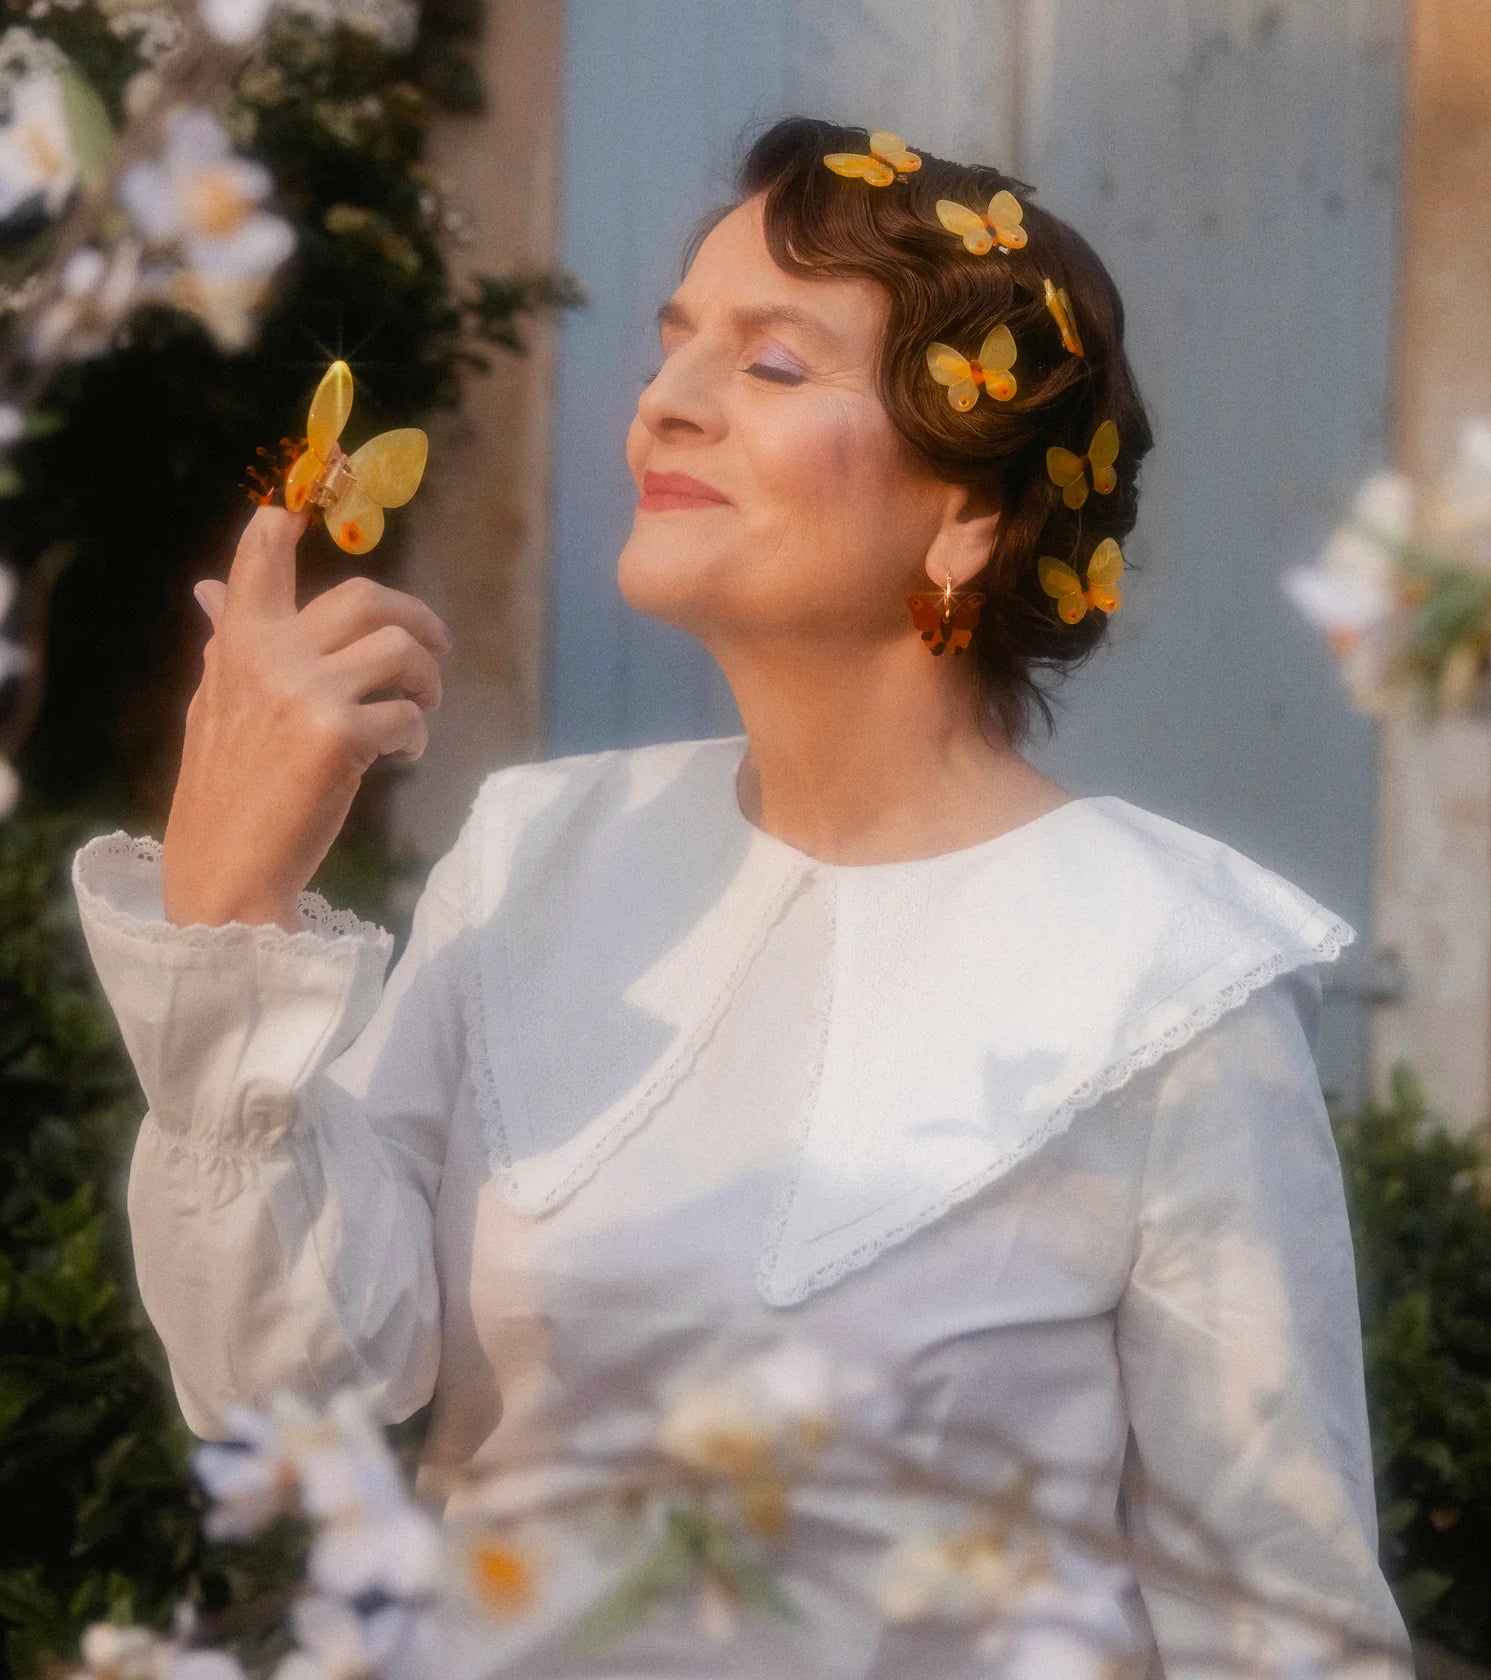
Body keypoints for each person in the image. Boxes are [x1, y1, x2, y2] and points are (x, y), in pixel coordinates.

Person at [72, 117, 1414, 1680]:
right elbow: (284, 1378)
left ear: (970, 513)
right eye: (674, 345)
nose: (666, 402)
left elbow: (1279, 1622)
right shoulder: (536, 853)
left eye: (773, 365)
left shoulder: (1163, 978)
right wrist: (230, 900)